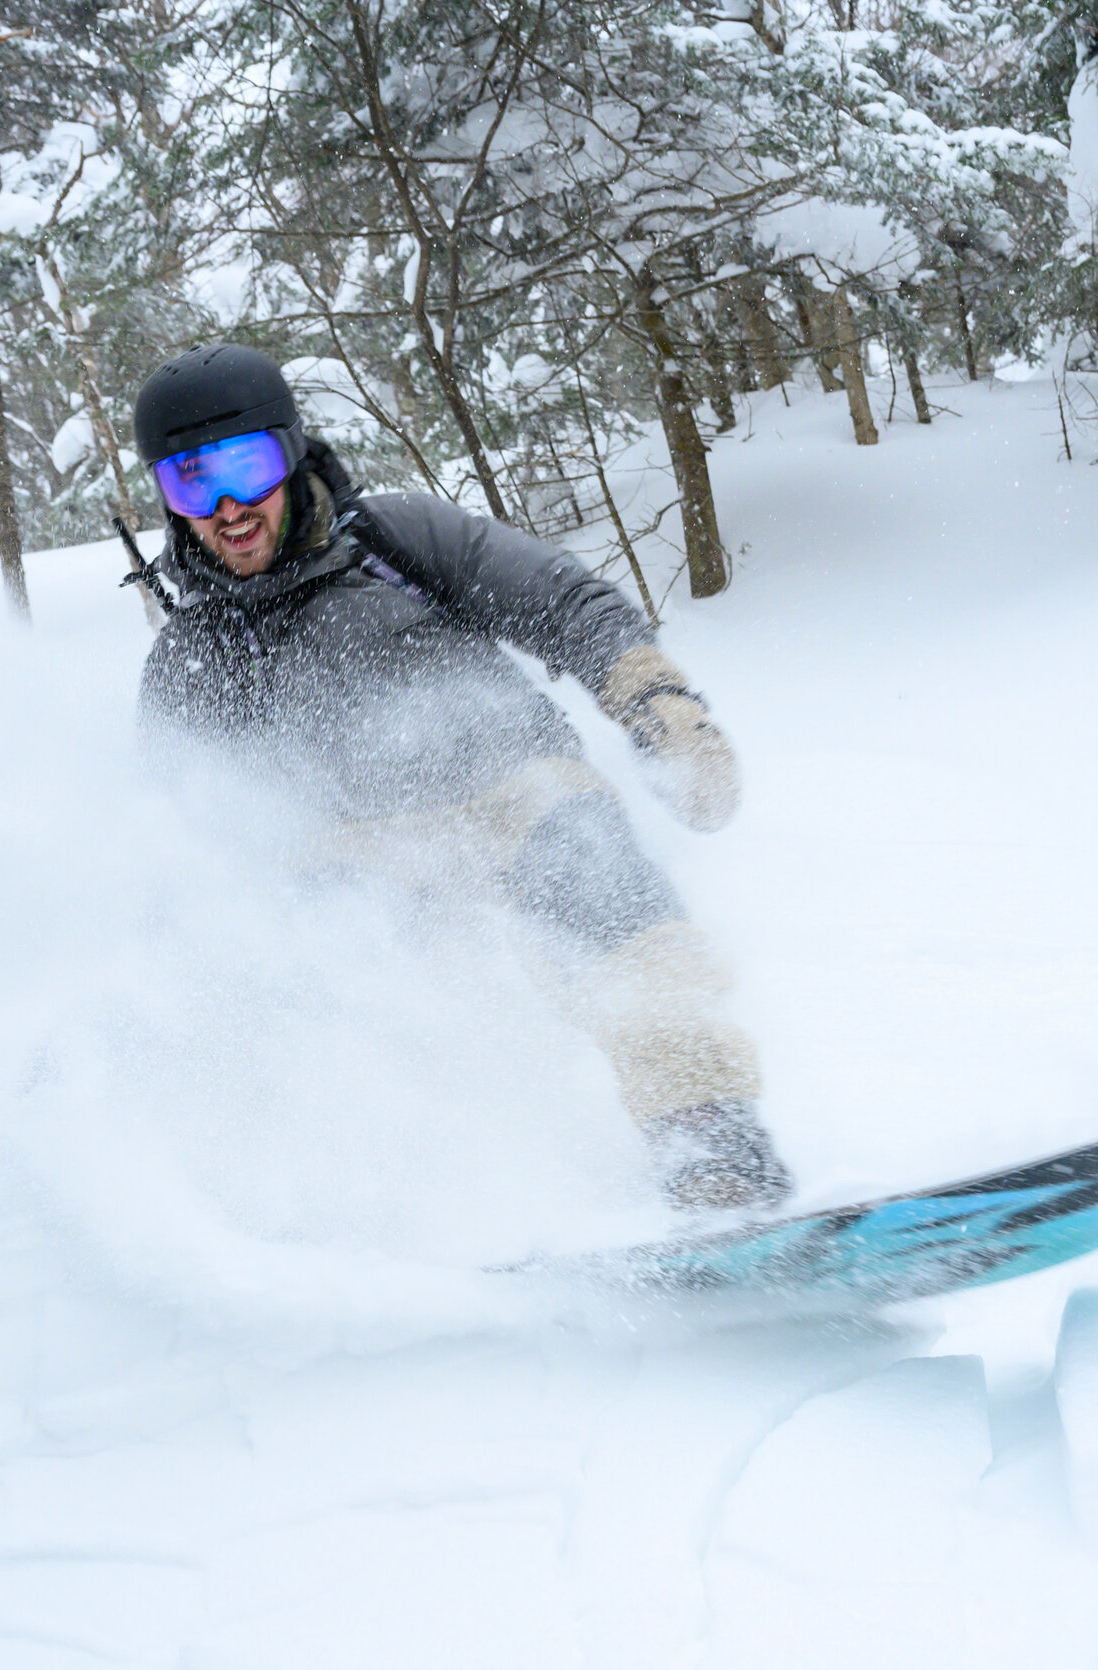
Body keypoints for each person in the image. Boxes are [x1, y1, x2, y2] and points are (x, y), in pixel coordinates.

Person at [132, 343, 790, 1209]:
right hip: (358, 856)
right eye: (190, 484)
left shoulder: (391, 539)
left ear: (290, 455)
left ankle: (710, 1143)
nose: (226, 508)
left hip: (515, 793)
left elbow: (560, 598)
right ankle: (414, 1209)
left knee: (604, 899)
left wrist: (654, 701)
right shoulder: (189, 663)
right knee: (332, 989)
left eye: (245, 467)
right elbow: (189, 838)